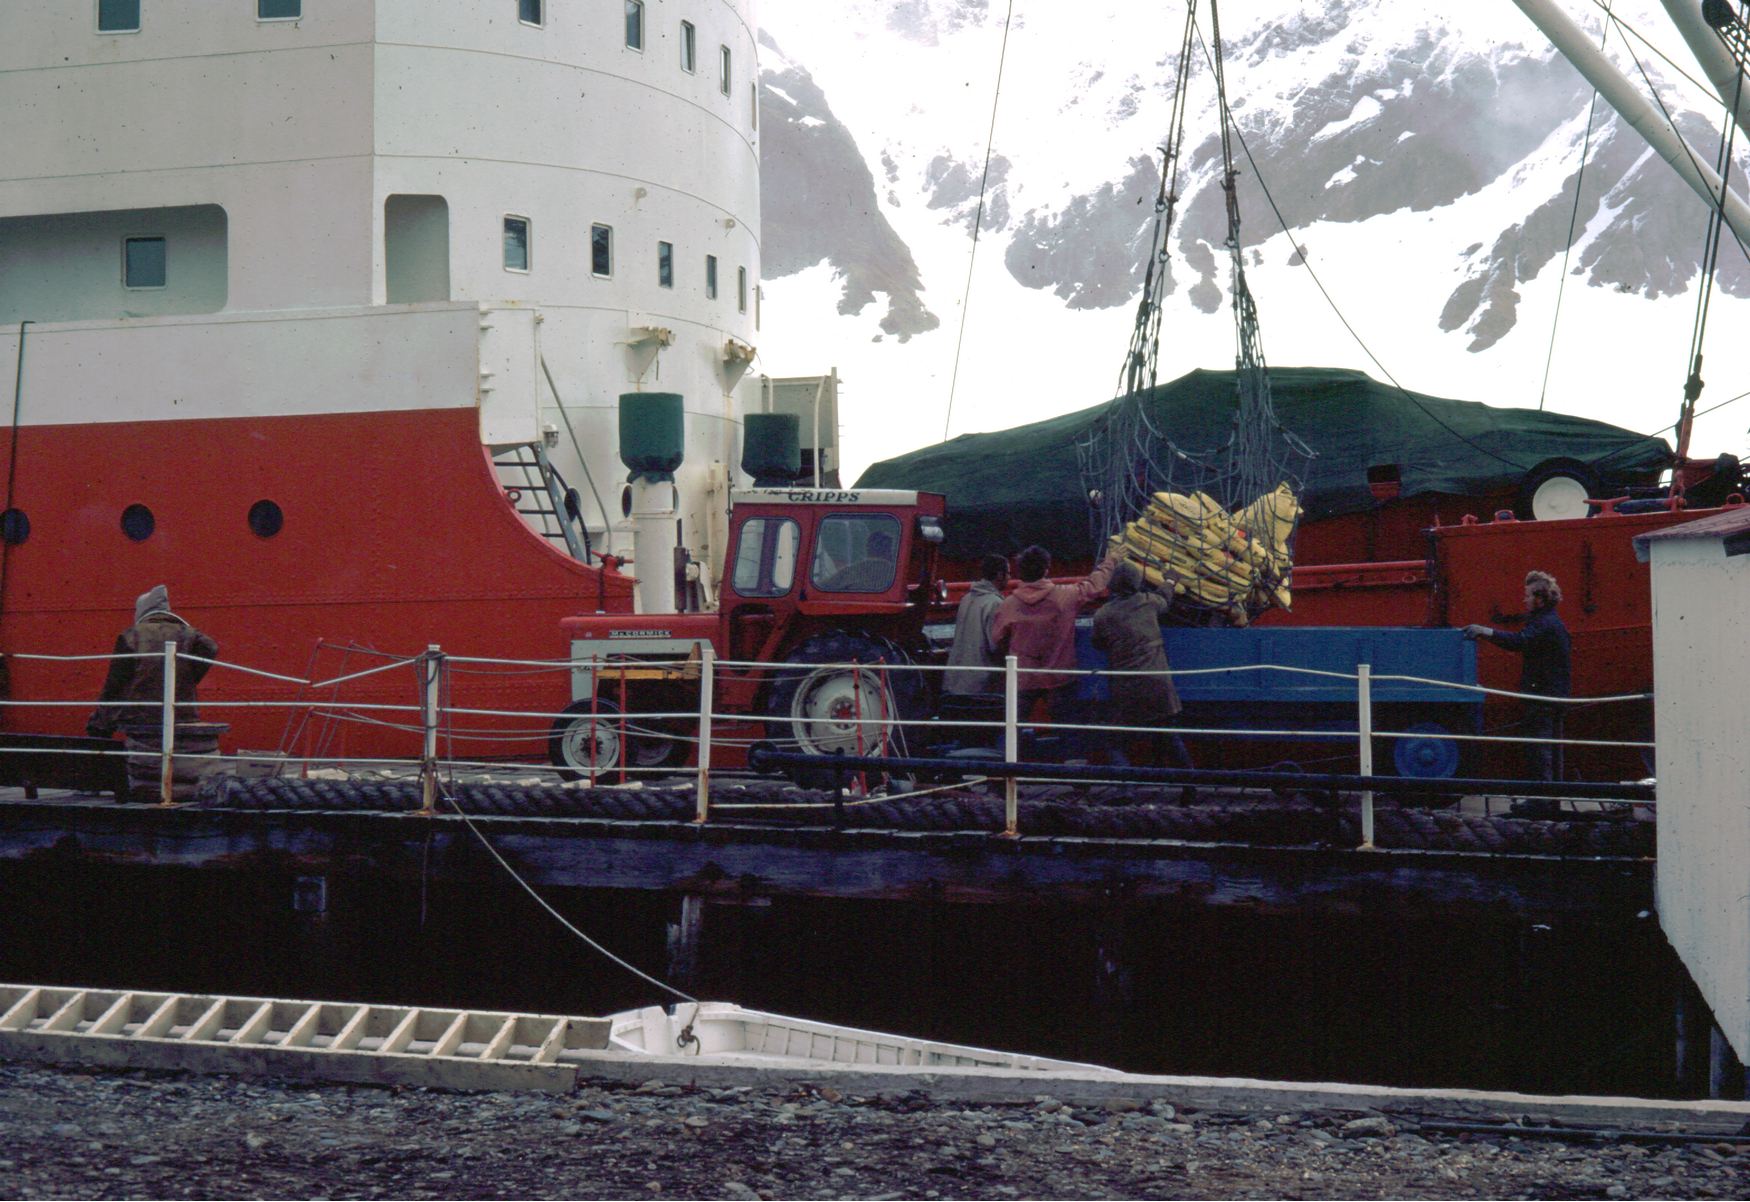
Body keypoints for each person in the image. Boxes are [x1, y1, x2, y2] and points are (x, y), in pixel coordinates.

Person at [1464, 569, 1572, 811]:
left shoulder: (1544, 624)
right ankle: (1550, 799)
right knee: (1551, 749)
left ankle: (1541, 801)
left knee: (1540, 749)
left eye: (1527, 596)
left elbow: (1520, 642)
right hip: (1553, 694)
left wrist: (1485, 631)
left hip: (1542, 697)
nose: (1524, 600)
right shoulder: (1551, 622)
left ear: (1540, 599)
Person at [1091, 561, 1195, 800]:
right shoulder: (1148, 603)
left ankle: (1126, 787)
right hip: (1158, 684)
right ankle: (1190, 785)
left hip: (1127, 688)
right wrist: (1170, 579)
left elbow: (1097, 643)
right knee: (1169, 735)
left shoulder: (1103, 614)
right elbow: (1165, 599)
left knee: (1114, 740)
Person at [990, 543, 1118, 724]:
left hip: (1023, 676)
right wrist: (1110, 561)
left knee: (1011, 729)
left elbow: (997, 639)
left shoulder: (1008, 605)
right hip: (1060, 675)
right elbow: (1094, 585)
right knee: (1068, 730)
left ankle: (1009, 752)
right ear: (1046, 570)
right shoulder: (1066, 596)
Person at [87, 585, 220, 739]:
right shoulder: (189, 633)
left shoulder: (132, 635)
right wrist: (188, 677)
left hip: (140, 716)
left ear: (142, 610)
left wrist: (99, 725)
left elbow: (115, 684)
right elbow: (211, 647)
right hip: (183, 713)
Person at [943, 554, 1008, 696]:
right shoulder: (995, 603)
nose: (1009, 578)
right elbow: (995, 645)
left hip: (954, 679)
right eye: (1008, 573)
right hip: (978, 684)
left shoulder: (966, 598)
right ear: (999, 575)